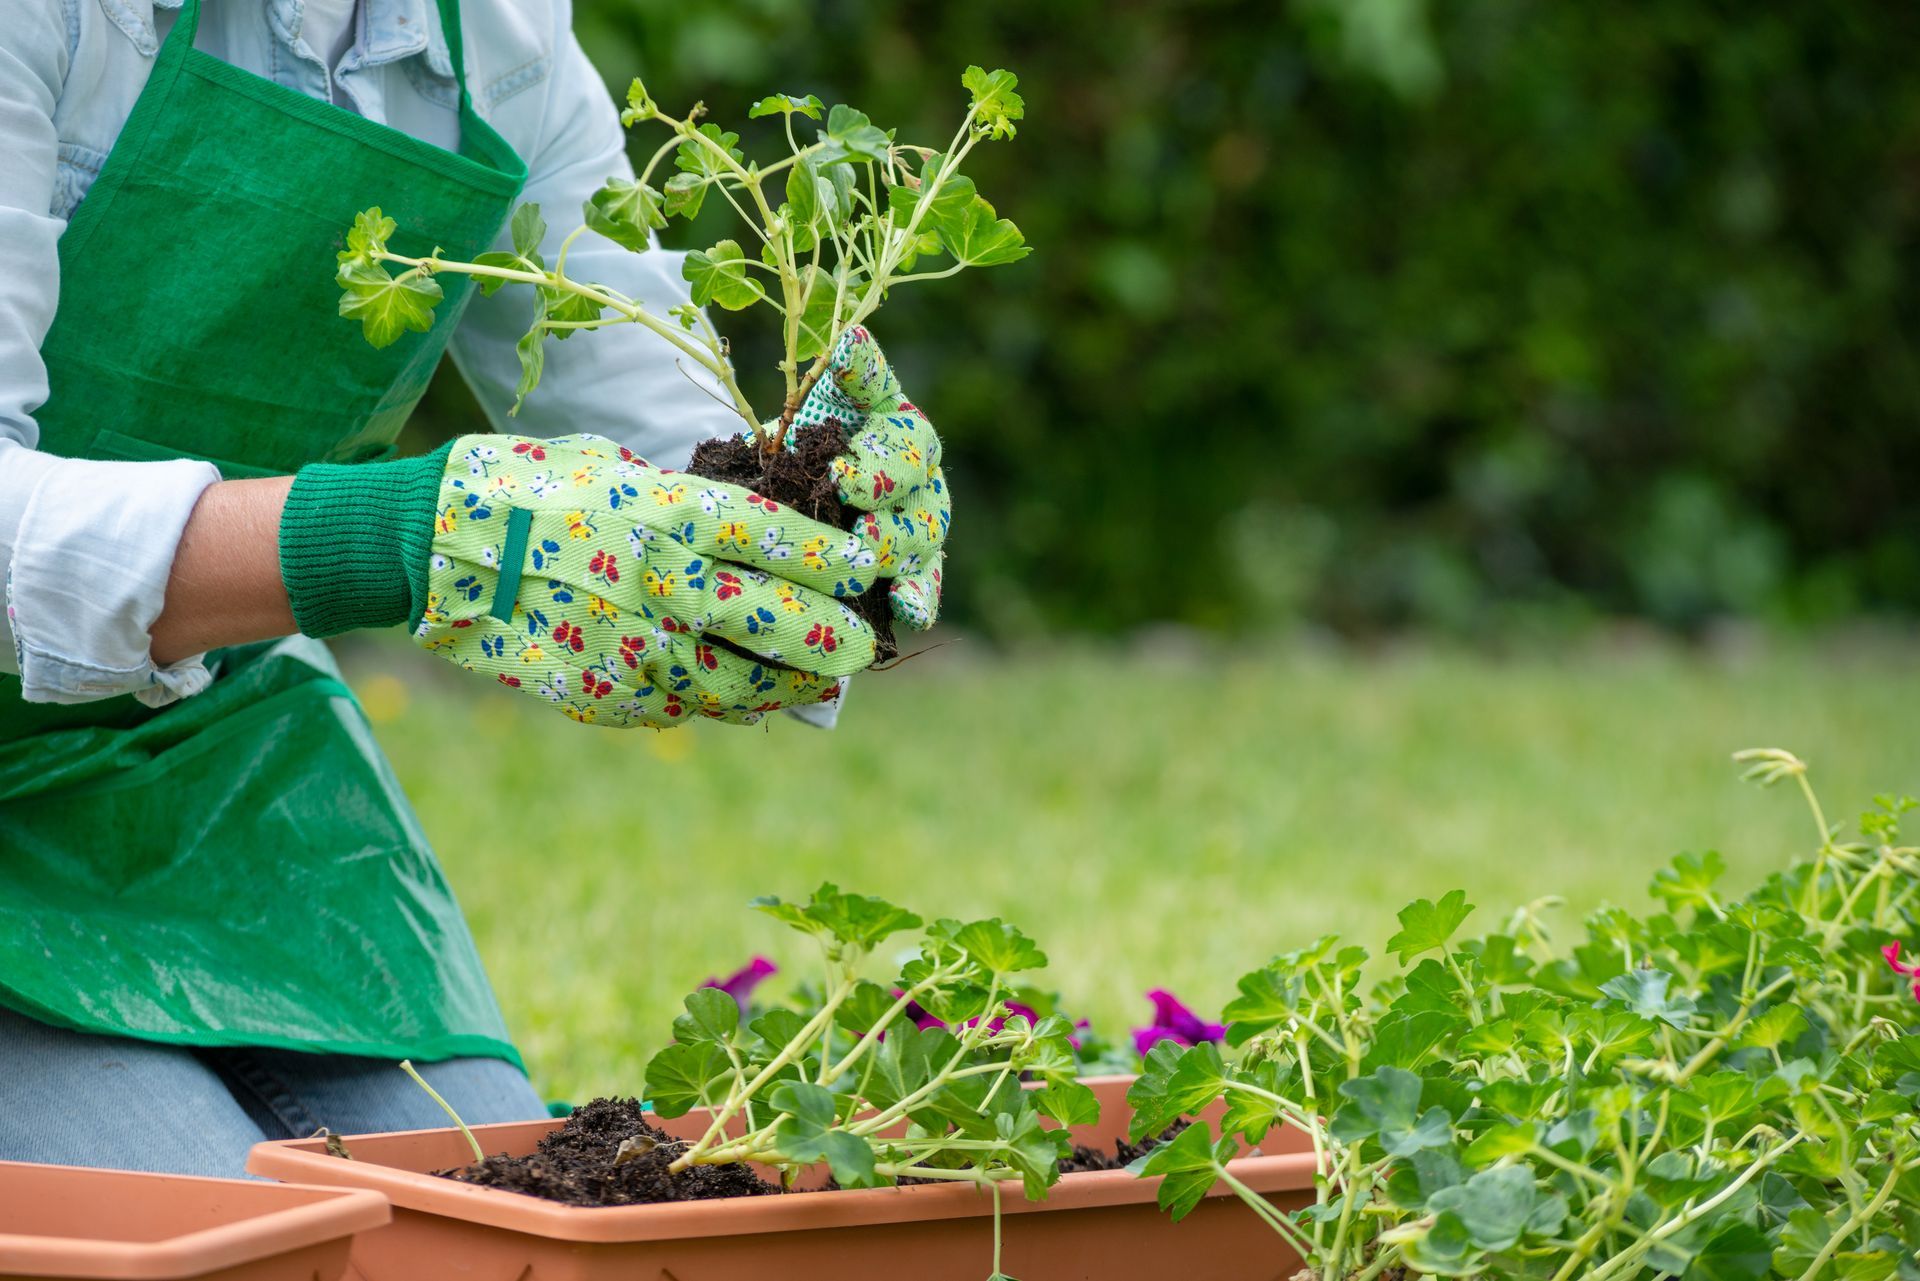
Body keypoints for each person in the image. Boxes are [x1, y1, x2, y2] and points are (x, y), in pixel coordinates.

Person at [0, 0, 948, 1177]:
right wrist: (397, 534)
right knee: (217, 1226)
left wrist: (811, 534)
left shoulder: (495, 40)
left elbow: (651, 433)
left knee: (510, 1210)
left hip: (195, 768)